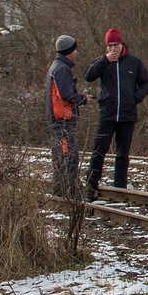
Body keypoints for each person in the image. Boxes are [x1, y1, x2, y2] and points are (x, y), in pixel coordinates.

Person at [84, 28, 148, 199]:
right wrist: (104, 60)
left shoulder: (134, 62)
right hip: (107, 114)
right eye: (109, 46)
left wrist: (135, 98)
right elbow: (88, 76)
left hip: (127, 114)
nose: (113, 48)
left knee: (123, 154)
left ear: (122, 44)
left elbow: (147, 83)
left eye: (115, 45)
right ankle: (91, 185)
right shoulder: (102, 62)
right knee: (99, 150)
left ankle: (120, 187)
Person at [45, 34, 87, 200]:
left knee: (61, 158)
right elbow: (66, 95)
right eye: (74, 49)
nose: (76, 52)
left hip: (58, 120)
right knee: (68, 158)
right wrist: (82, 99)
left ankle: (60, 192)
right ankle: (68, 194)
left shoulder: (56, 67)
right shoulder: (62, 69)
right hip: (61, 121)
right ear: (69, 50)